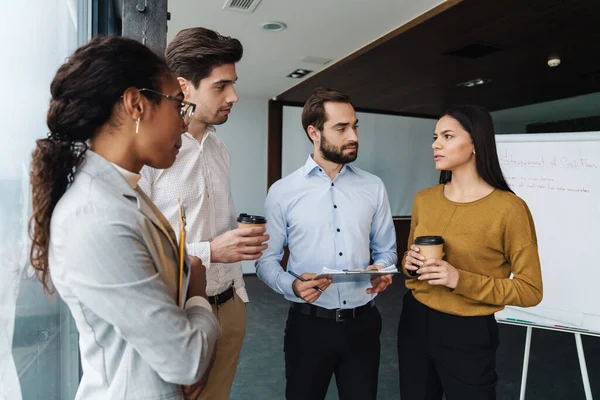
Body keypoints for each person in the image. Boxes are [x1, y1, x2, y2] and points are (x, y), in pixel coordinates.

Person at [28, 36, 220, 400]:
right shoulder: (95, 215)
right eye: (178, 105)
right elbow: (187, 360)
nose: (183, 124)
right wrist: (198, 293)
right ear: (136, 104)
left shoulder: (122, 189)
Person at [139, 27, 267, 400]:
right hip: (175, 314)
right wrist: (214, 251)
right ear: (184, 86)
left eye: (234, 84)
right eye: (221, 86)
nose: (234, 96)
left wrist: (239, 294)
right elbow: (142, 249)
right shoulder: (148, 156)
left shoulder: (219, 149)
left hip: (230, 308)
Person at [256, 87, 397, 400]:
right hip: (308, 328)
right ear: (313, 132)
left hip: (363, 326)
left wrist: (383, 269)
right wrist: (291, 286)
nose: (353, 136)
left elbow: (387, 251)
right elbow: (266, 260)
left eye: (355, 126)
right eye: (341, 128)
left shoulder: (373, 187)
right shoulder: (283, 191)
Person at [398, 105, 543, 399]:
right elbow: (410, 263)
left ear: (476, 142)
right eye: (436, 136)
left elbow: (530, 290)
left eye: (447, 136)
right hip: (415, 320)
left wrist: (458, 279)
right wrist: (408, 263)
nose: (435, 144)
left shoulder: (509, 208)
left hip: (468, 331)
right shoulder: (425, 199)